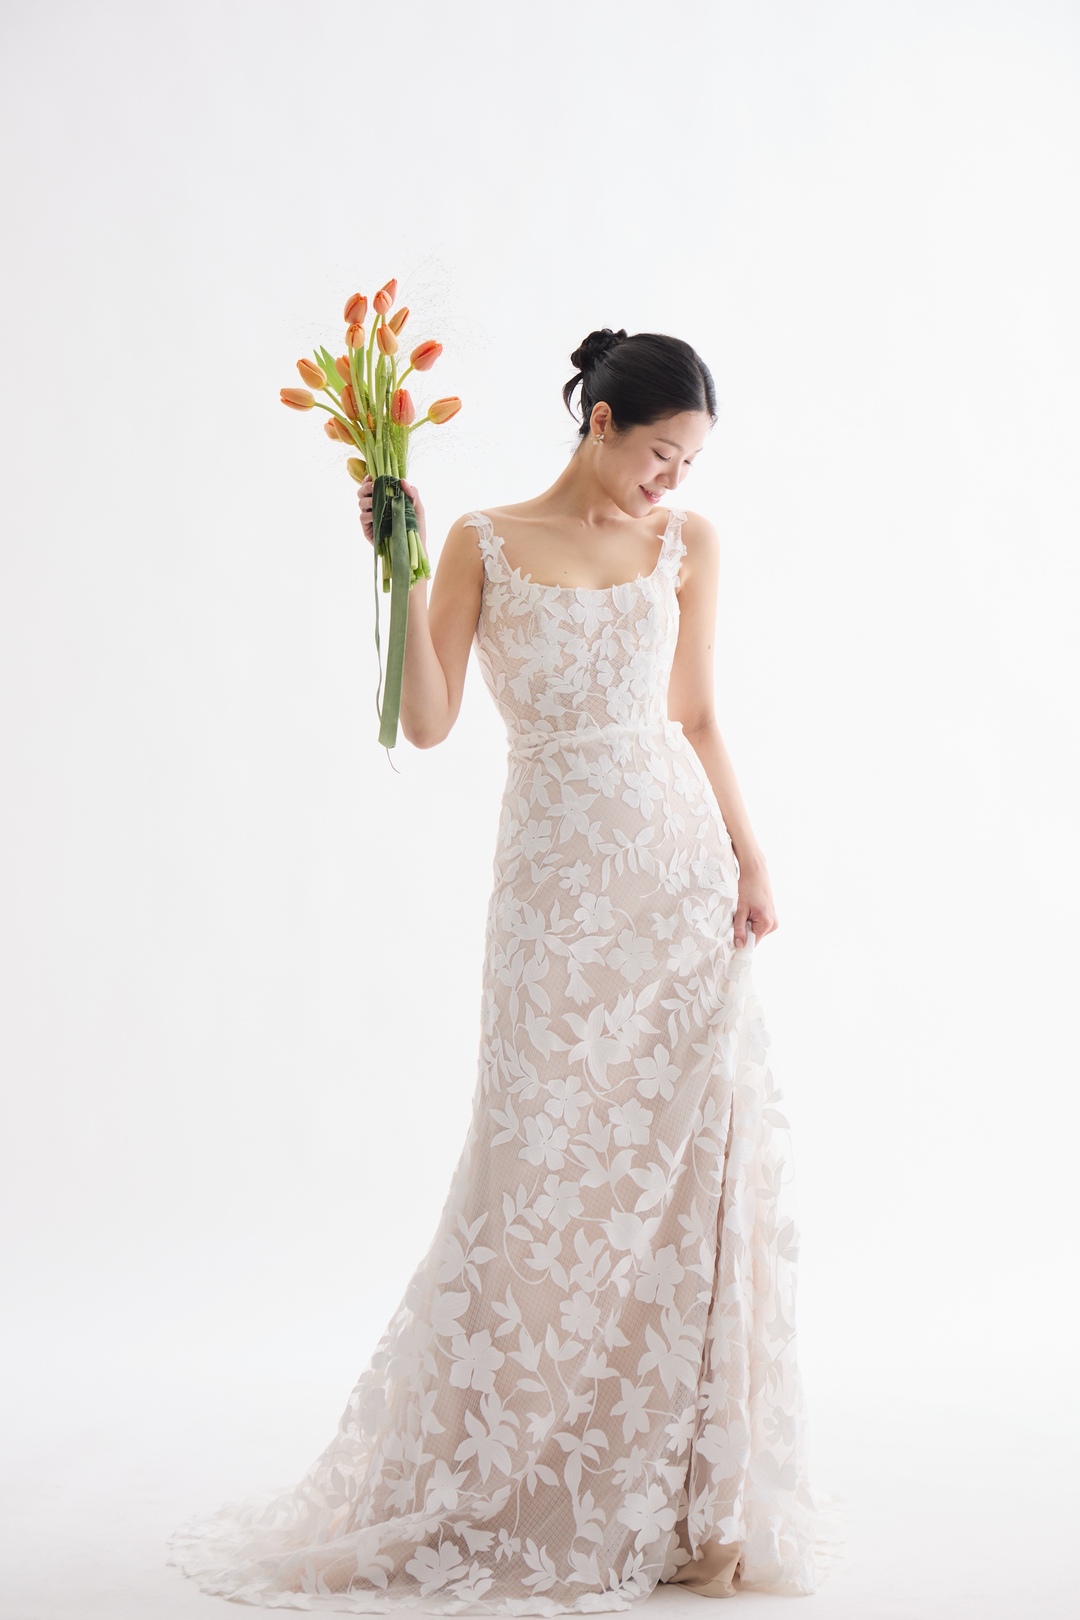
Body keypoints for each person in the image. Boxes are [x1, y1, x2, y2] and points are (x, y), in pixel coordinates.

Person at [168, 328, 845, 1611]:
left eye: (691, 462)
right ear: (600, 421)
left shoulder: (688, 546)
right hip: (552, 894)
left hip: (676, 883)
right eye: (661, 453)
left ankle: (687, 1500)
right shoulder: (483, 541)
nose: (672, 481)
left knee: (688, 1169)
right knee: (534, 1165)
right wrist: (399, 565)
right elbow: (425, 722)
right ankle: (518, 1474)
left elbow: (698, 717)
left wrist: (751, 861)